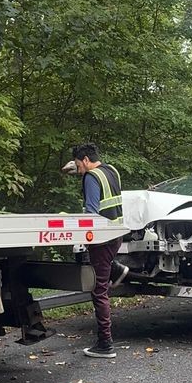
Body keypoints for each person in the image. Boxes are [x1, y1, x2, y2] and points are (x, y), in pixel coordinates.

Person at [63, 143, 124, 358]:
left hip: (101, 240)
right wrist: (77, 173)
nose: (79, 169)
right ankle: (118, 269)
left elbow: (91, 212)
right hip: (116, 235)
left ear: (86, 160)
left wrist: (70, 225)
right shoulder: (111, 171)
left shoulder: (91, 177)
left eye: (79, 165)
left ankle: (105, 343)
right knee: (105, 269)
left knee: (99, 291)